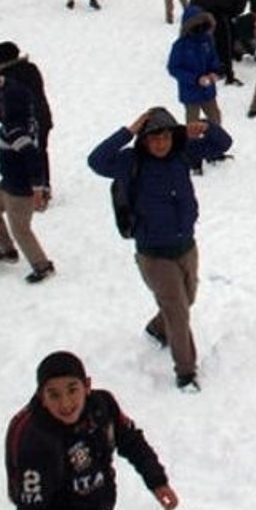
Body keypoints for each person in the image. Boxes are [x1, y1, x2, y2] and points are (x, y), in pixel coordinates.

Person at [87, 107, 234, 391]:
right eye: (153, 138)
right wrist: (128, 131)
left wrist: (204, 127)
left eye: (165, 137)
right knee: (178, 311)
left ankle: (157, 327)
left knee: (186, 298)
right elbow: (96, 160)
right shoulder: (130, 161)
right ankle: (186, 372)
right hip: (153, 253)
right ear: (143, 139)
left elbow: (222, 145)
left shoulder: (183, 154)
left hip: (186, 245)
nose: (160, 144)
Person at [5, 351, 180, 510]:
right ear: (42, 397)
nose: (65, 404)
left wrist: (157, 481)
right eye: (54, 395)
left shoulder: (103, 407)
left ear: (87, 386)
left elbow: (132, 442)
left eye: (72, 390)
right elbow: (31, 509)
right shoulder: (35, 440)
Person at [0, 66, 54, 283]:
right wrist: (2, 83)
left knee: (21, 230)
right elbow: (18, 91)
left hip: (19, 189)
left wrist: (37, 188)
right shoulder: (26, 115)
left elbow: (32, 158)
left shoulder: (15, 130)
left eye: (1, 105)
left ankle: (43, 266)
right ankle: (7, 250)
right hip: (7, 182)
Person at [0, 41, 53, 200]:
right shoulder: (31, 69)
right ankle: (44, 187)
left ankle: (31, 190)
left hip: (21, 124)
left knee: (22, 155)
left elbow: (0, 109)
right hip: (42, 117)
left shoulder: (3, 79)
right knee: (40, 152)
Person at [166, 6, 224, 174]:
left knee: (214, 118)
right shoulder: (181, 45)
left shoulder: (207, 41)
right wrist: (194, 79)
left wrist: (214, 72)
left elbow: (214, 59)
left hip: (208, 90)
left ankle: (213, 150)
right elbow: (174, 68)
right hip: (190, 92)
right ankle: (193, 157)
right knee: (192, 125)